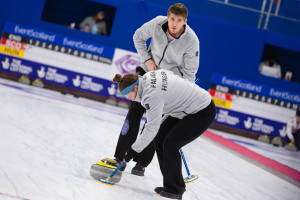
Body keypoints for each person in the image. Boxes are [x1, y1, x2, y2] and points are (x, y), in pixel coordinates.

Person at [113, 3, 200, 176]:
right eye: (172, 19)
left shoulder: (192, 41)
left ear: (185, 21)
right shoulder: (157, 23)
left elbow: (190, 75)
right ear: (167, 17)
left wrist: (179, 99)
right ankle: (120, 158)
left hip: (166, 85)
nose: (174, 24)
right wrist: (147, 60)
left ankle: (141, 163)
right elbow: (138, 36)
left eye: (179, 20)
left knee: (154, 124)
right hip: (146, 73)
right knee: (133, 114)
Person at [113, 69, 216, 199]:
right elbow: (170, 76)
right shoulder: (149, 76)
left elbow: (151, 128)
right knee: (160, 136)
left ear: (136, 87)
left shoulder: (150, 95)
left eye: (130, 96)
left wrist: (132, 151)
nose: (132, 100)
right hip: (185, 107)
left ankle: (176, 189)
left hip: (202, 111)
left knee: (171, 144)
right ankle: (170, 184)